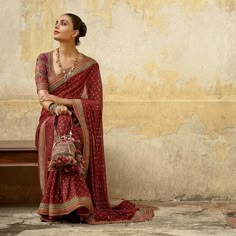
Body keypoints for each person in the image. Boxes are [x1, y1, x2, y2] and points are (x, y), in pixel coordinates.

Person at [35, 13, 154, 224]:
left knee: (72, 136)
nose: (57, 25)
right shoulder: (43, 60)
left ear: (75, 32)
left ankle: (65, 205)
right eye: (56, 22)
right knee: (63, 128)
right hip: (50, 119)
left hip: (78, 122)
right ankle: (74, 203)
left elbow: (96, 105)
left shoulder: (90, 66)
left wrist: (65, 101)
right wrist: (56, 106)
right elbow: (43, 96)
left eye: (63, 23)